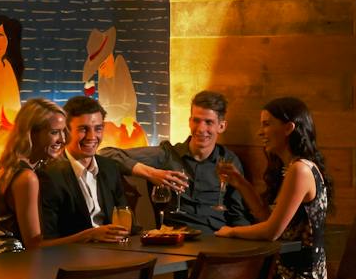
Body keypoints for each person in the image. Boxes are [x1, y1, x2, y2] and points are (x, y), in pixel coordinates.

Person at [217, 96, 330, 279]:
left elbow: (271, 232)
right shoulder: (291, 168)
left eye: (267, 124)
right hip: (289, 269)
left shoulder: (300, 170)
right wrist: (241, 183)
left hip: (300, 278)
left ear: (288, 128)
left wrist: (231, 231)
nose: (260, 132)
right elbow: (267, 218)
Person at [102, 89, 250, 235]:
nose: (201, 128)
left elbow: (238, 215)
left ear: (221, 126)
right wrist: (151, 174)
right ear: (189, 122)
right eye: (196, 120)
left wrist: (244, 241)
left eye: (208, 122)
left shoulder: (229, 161)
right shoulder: (167, 154)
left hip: (216, 239)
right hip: (175, 240)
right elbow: (106, 154)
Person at [33, 94, 132, 245]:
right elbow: (47, 241)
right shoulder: (48, 176)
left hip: (115, 251)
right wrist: (91, 235)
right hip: (72, 255)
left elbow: (125, 220)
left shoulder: (110, 168)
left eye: (98, 129)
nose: (92, 136)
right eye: (83, 129)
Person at [0, 97, 66, 255]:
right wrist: (87, 236)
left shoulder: (9, 166)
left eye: (63, 131)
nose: (62, 139)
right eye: (54, 132)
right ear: (32, 133)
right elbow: (34, 245)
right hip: (9, 258)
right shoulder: (26, 177)